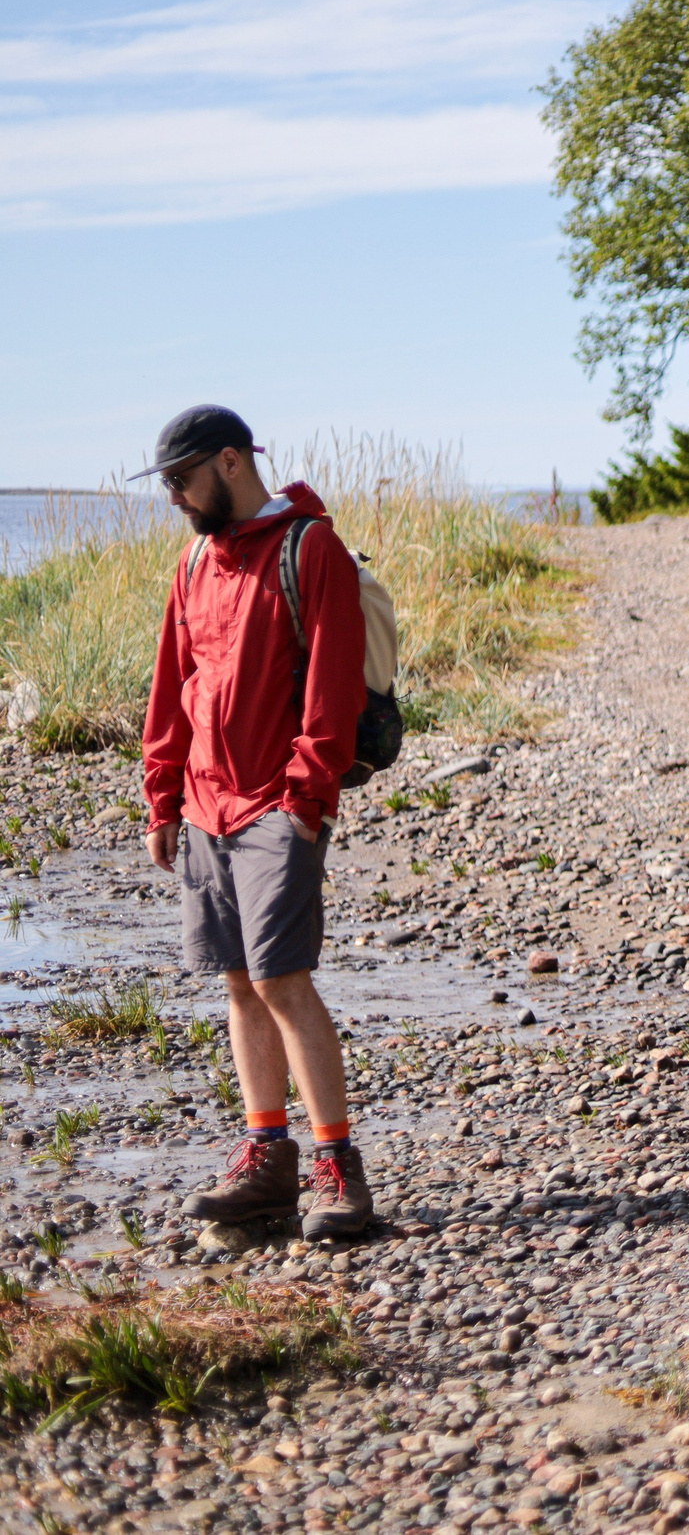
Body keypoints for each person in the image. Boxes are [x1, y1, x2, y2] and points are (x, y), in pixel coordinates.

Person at [137, 406, 378, 1240]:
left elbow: (334, 690)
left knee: (281, 979)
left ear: (232, 462)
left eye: (182, 478)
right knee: (238, 980)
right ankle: (268, 1159)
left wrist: (306, 800)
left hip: (279, 803)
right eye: (168, 483)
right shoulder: (195, 561)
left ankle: (339, 1169)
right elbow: (172, 683)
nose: (174, 495)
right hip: (204, 805)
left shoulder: (311, 549)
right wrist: (163, 795)